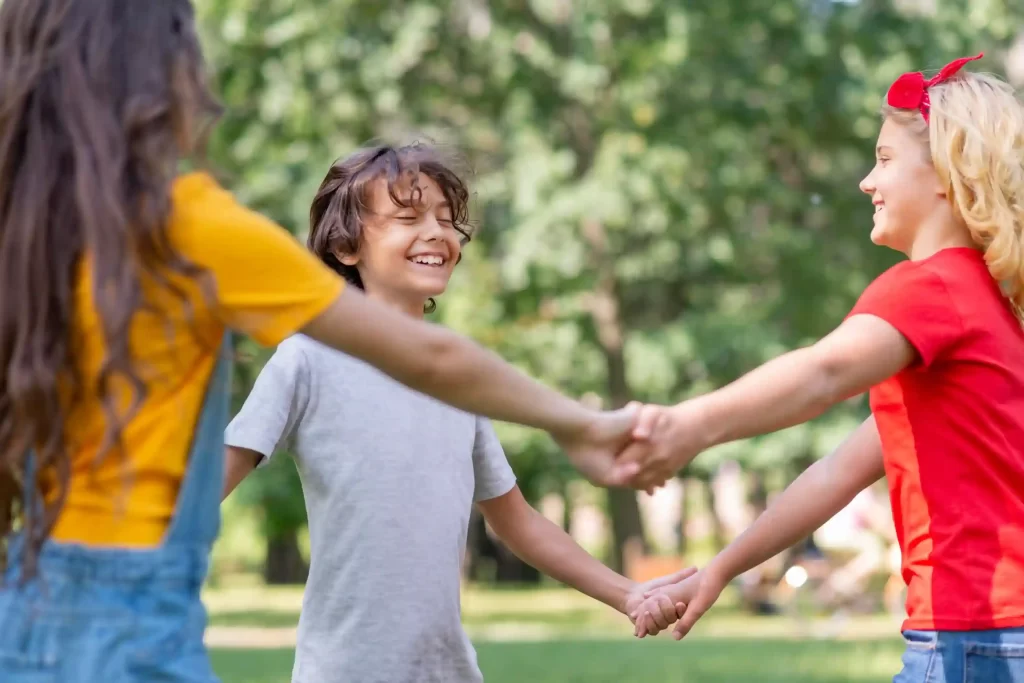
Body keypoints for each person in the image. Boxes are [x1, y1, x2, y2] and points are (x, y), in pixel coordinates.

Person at [0, 2, 645, 680]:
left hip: (22, 597)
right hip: (131, 608)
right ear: (158, 81)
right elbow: (432, 359)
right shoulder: (187, 227)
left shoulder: (25, 241)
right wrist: (582, 423)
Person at [222, 144, 695, 682]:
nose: (437, 233)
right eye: (408, 217)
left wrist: (629, 594)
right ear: (346, 245)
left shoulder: (457, 378)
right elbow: (216, 476)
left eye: (447, 220)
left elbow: (517, 522)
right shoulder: (307, 359)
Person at [625, 54, 1024, 682]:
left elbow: (822, 373)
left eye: (886, 159)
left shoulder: (929, 290)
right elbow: (837, 472)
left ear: (948, 174)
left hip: (972, 640)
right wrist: (723, 567)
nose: (867, 181)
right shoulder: (983, 307)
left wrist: (685, 426)